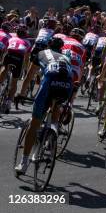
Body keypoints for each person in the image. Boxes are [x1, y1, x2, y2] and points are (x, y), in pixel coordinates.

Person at [15, 37, 74, 175]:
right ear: (61, 48)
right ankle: (52, 130)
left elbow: (29, 76)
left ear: (48, 45)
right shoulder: (66, 58)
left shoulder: (41, 53)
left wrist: (21, 93)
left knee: (34, 124)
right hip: (67, 85)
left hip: (50, 82)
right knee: (55, 108)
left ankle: (23, 163)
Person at [0, 24, 31, 112]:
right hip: (19, 58)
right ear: (25, 34)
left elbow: (4, 50)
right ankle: (9, 102)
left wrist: (2, 62)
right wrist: (25, 69)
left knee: (4, 69)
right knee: (14, 82)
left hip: (9, 55)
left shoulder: (11, 38)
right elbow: (27, 58)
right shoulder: (28, 42)